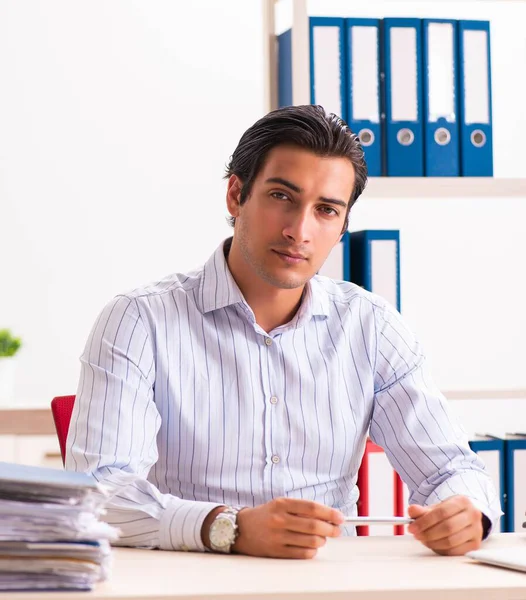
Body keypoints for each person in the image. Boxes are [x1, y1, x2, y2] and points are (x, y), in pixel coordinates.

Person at [66, 105, 501, 559]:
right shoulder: (139, 320)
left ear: (342, 227)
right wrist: (226, 528)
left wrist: (468, 512)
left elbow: (450, 467)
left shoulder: (371, 326)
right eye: (281, 197)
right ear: (236, 194)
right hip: (191, 578)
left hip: (331, 584)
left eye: (326, 210)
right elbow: (100, 492)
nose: (300, 230)